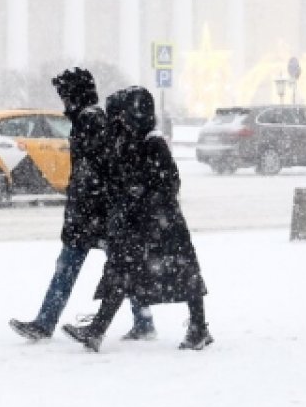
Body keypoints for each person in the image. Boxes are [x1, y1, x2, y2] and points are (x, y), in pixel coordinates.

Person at [9, 68, 155, 342]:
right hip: (93, 212)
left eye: (65, 95)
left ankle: (45, 323)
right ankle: (143, 322)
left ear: (76, 95)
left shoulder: (90, 121)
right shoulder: (88, 119)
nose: (63, 102)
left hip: (93, 214)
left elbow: (98, 170)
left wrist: (88, 204)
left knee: (88, 268)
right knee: (121, 269)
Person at [63, 85, 212, 352]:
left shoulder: (153, 143)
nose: (117, 121)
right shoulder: (126, 141)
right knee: (121, 272)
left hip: (161, 224)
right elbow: (115, 175)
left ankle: (199, 328)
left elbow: (170, 183)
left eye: (121, 116)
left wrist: (142, 194)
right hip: (137, 223)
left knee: (183, 275)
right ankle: (97, 330)